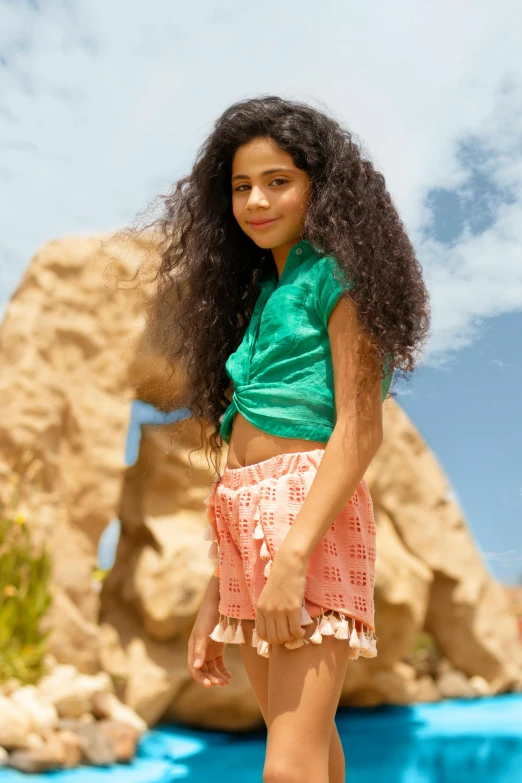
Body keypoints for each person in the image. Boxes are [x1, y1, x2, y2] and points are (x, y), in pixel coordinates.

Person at [139, 96, 430, 783]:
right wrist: (219, 591)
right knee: (314, 755)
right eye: (241, 186)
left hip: (306, 517)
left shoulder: (338, 277)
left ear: (318, 188)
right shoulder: (265, 297)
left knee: (287, 769)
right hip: (247, 522)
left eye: (278, 180)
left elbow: (359, 431)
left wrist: (293, 554)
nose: (255, 201)